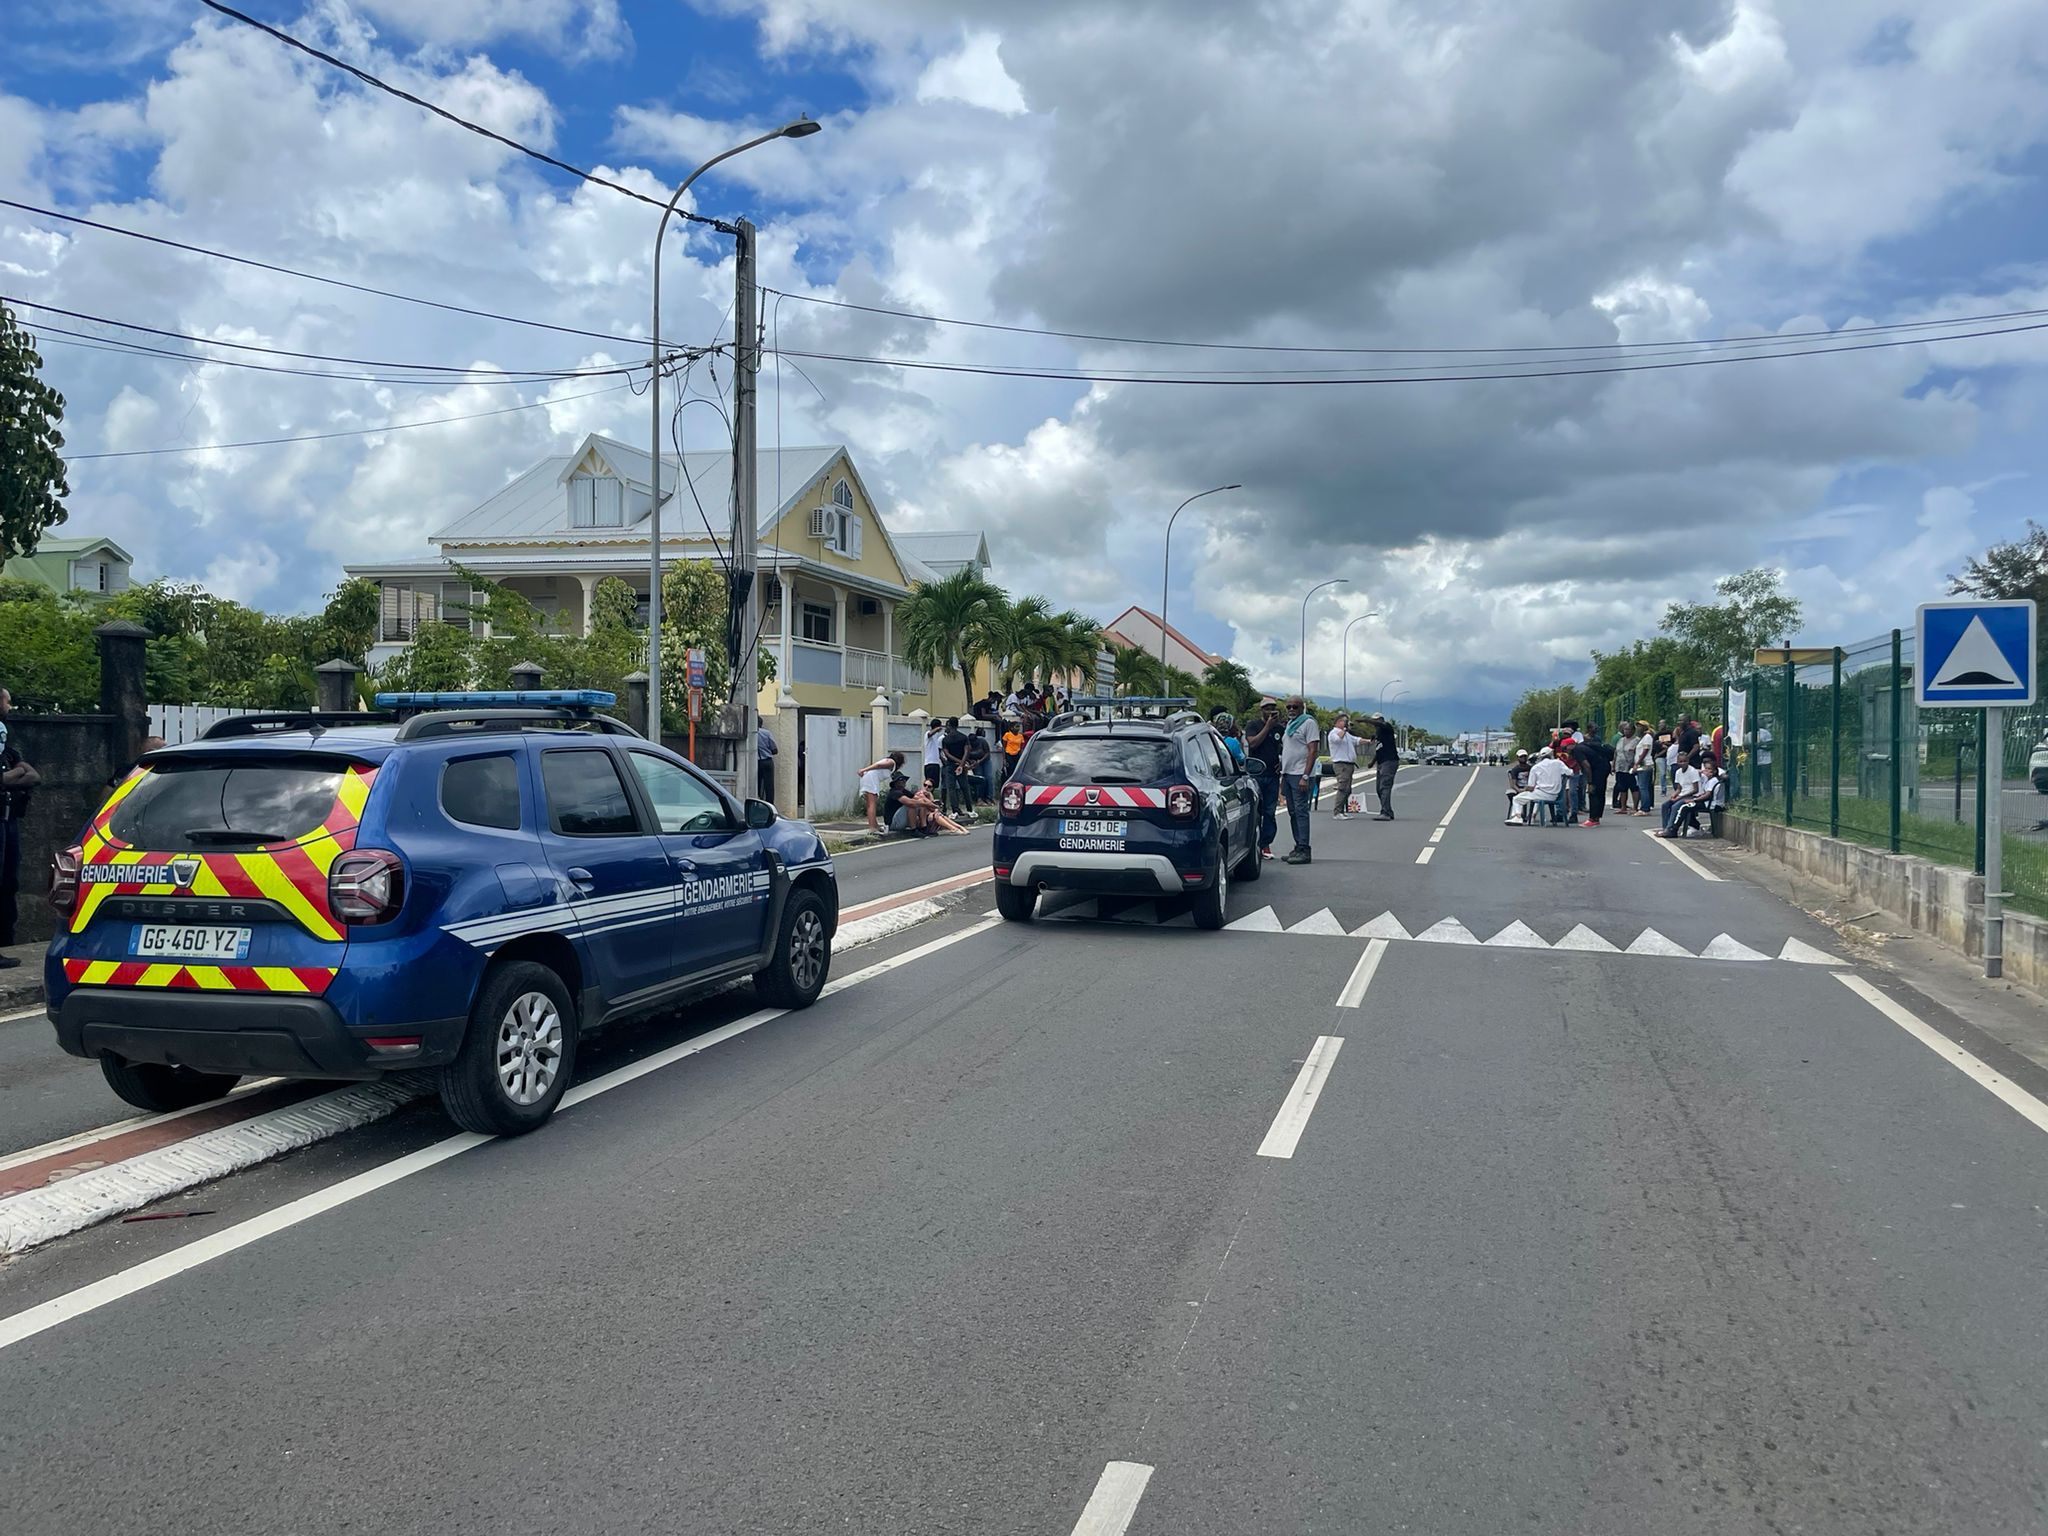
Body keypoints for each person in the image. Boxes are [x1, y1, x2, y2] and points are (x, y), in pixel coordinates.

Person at [0, 687, 40, 969]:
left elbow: (33, 775)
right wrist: (12, 776)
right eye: (8, 701)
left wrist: (8, 777)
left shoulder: (9, 752)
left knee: (7, 883)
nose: (11, 707)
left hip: (9, 820)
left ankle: (5, 941)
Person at [1278, 696, 1321, 864]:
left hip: (1300, 774)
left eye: (1295, 707)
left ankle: (1304, 849)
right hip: (1288, 774)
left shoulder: (1308, 723)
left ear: (1302, 708)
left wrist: (1305, 775)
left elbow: (1312, 751)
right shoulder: (1290, 725)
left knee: (1301, 812)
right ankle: (1297, 846)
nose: (1291, 709)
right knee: (1293, 812)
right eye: (1288, 707)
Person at [1245, 698, 1284, 858]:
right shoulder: (1253, 726)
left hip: (1272, 776)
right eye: (1267, 708)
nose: (1271, 711)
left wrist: (1283, 762)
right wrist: (1267, 727)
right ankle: (1254, 843)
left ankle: (1265, 844)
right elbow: (1253, 743)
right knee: (1256, 811)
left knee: (1269, 811)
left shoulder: (1280, 729)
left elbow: (1287, 746)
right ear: (1262, 710)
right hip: (1256, 776)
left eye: (1273, 708)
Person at [1509, 747, 1567, 824]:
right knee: (1536, 796)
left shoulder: (1536, 768)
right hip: (1555, 795)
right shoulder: (1559, 763)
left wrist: (1524, 790)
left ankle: (1518, 817)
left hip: (1542, 793)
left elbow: (1531, 787)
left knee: (1517, 799)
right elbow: (1570, 772)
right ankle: (1532, 816)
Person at [856, 750, 904, 834]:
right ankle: (872, 828)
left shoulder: (889, 761)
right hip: (871, 779)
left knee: (870, 804)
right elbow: (878, 765)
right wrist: (864, 769)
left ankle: (875, 825)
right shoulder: (891, 762)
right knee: (872, 804)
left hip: (869, 778)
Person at [1579, 723, 1613, 827]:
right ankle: (1597, 816)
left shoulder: (1580, 748)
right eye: (1594, 727)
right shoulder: (1590, 740)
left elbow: (1587, 765)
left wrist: (1590, 782)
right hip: (1604, 766)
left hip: (1597, 768)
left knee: (1594, 792)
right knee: (1600, 791)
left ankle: (1593, 818)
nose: (1596, 729)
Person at [939, 716, 973, 816]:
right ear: (958, 725)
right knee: (965, 787)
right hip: (961, 766)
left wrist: (957, 762)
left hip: (950, 766)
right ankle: (970, 809)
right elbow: (967, 751)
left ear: (949, 725)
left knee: (951, 788)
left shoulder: (946, 739)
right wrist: (962, 764)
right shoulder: (963, 737)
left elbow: (947, 754)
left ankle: (955, 810)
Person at [1327, 712, 1359, 818]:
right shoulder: (1333, 733)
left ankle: (1343, 811)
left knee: (1348, 789)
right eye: (1345, 721)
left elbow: (1356, 740)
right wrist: (1344, 730)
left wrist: (1369, 741)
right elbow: (1337, 740)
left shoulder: (1347, 735)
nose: (1347, 723)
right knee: (1342, 787)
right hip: (1341, 764)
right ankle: (1337, 812)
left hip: (1349, 764)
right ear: (1338, 722)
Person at [1369, 711, 1399, 820]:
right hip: (1381, 762)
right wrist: (1372, 762)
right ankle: (1388, 811)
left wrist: (1364, 720)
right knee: (1379, 789)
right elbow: (1379, 750)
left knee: (1384, 786)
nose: (1374, 723)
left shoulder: (1387, 727)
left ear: (1381, 720)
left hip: (1389, 761)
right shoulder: (1379, 734)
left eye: (1376, 721)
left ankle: (1385, 812)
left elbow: (1382, 725)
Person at [1632, 721, 1657, 815]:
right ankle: (1644, 807)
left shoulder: (1647, 737)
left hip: (1645, 764)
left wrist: (1637, 763)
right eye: (1637, 726)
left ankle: (1645, 808)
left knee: (1643, 787)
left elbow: (1645, 751)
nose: (1637, 728)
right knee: (1642, 786)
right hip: (1642, 765)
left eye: (1640, 726)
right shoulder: (1642, 738)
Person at [1611, 724, 1636, 814]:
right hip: (1620, 767)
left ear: (1633, 731)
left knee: (1633, 787)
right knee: (1622, 787)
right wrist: (1613, 765)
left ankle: (1635, 807)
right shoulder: (1620, 740)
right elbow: (1616, 753)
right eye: (1625, 729)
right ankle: (1623, 807)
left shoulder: (1636, 741)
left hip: (1630, 767)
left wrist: (1634, 764)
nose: (1626, 731)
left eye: (1628, 729)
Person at [964, 727, 992, 801]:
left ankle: (989, 797)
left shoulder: (982, 741)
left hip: (985, 760)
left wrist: (980, 760)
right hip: (975, 763)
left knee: (988, 777)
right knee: (980, 777)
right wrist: (971, 761)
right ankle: (980, 797)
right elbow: (966, 756)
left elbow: (987, 753)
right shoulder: (967, 745)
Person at [754, 721, 777, 801]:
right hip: (767, 761)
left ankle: (757, 800)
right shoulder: (766, 733)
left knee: (756, 783)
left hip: (756, 762)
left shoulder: (752, 734)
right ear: (761, 723)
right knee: (769, 785)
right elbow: (774, 749)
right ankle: (769, 804)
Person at [922, 718, 945, 793]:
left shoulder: (937, 737)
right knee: (929, 785)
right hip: (930, 763)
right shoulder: (928, 734)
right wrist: (937, 728)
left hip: (936, 763)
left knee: (934, 785)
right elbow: (930, 734)